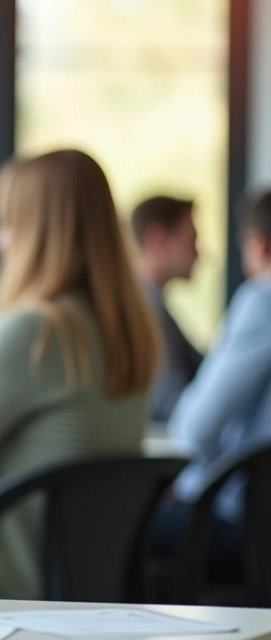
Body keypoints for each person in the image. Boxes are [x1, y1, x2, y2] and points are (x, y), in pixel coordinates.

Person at [0, 149, 161, 599]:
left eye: (8, 224)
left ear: (38, 233)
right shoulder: (125, 331)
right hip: (80, 592)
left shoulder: (34, 331)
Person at [159, 190, 271, 573]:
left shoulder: (263, 300)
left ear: (258, 244)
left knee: (114, 527)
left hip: (247, 526)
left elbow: (196, 428)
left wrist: (173, 481)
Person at [130, 195, 205, 422]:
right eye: (191, 240)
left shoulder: (154, 306)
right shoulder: (143, 312)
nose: (199, 253)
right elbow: (174, 405)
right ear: (158, 239)